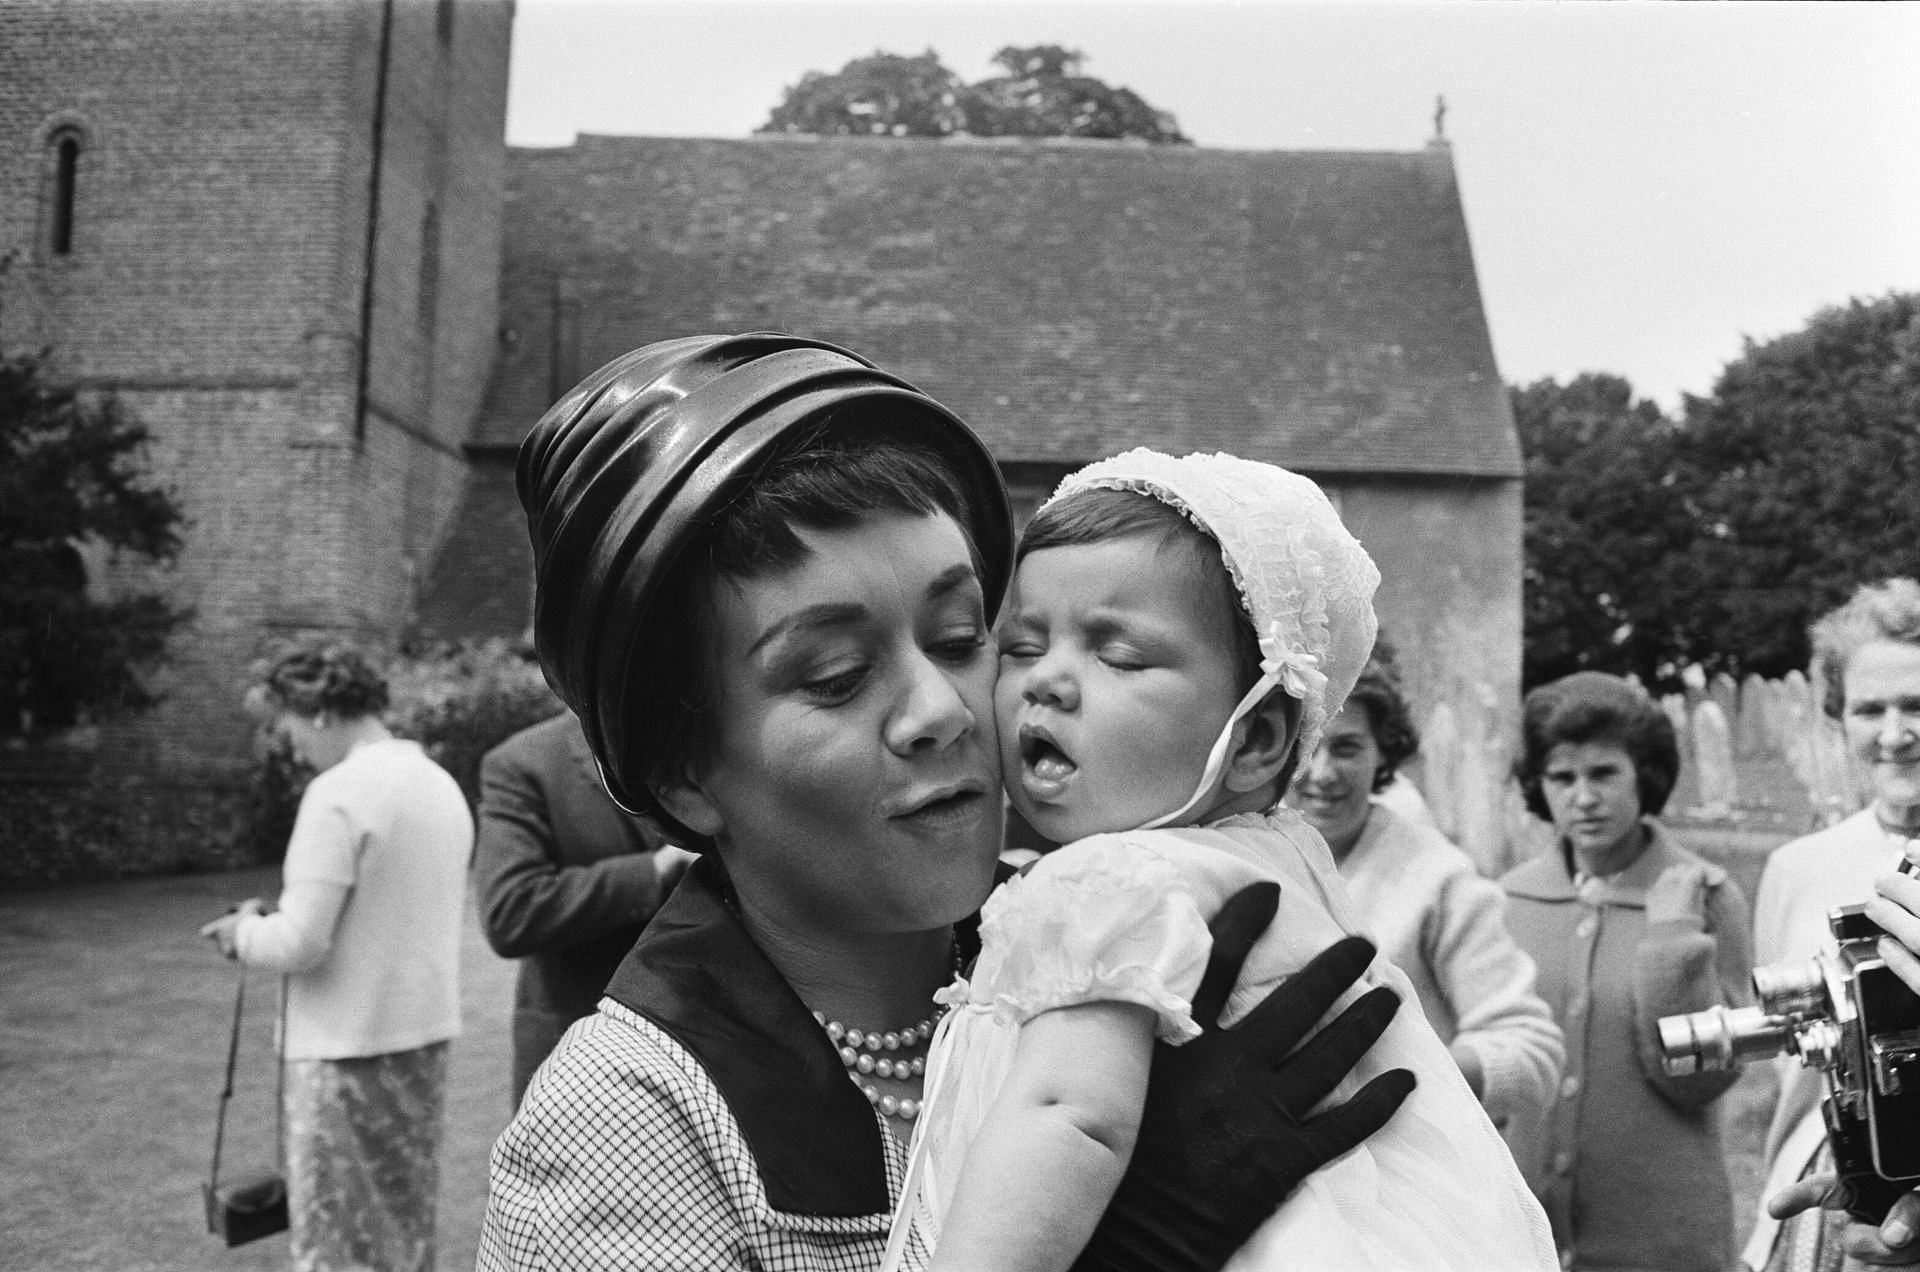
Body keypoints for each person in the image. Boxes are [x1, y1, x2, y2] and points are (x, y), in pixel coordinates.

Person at [479, 334, 1416, 1272]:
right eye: (838, 677)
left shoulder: (1124, 948)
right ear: (686, 771)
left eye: (963, 637)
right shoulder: (627, 1123)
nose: (940, 710)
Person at [886, 451, 1555, 1272]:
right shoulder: (1284, 854)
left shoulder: (1101, 883)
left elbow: (1070, 1117)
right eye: (1021, 646)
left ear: (1257, 738)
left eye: (1119, 656)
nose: (1048, 681)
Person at [200, 640, 473, 1272]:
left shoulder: (338, 793)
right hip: (421, 1044)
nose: (289, 745)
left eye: (287, 725)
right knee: (404, 1231)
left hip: (342, 1055)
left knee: (339, 1242)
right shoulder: (441, 785)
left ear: (318, 711)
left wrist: (241, 933)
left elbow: (300, 942)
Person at [1498, 670, 1755, 1272]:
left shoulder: (1708, 895)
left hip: (1660, 1236)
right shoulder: (1508, 900)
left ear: (1647, 773)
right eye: (1562, 778)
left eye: (1604, 773)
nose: (1583, 797)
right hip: (1524, 1235)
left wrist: (1671, 939)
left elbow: (1700, 1079)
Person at [1291, 658, 1563, 1144]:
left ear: (1383, 754)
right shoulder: (1244, 856)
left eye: (1348, 748)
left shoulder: (1438, 881)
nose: (1322, 772)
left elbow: (1530, 1051)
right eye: (1305, 746)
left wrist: (1395, 1077)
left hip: (1406, 1168)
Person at [1746, 578, 1920, 1271]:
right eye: (1868, 709)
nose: (1894, 735)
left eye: (1916, 706)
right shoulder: (1797, 868)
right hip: (1829, 1194)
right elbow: (1790, 1066)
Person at [472, 708, 696, 1105]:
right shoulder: (524, 762)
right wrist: (655, 870)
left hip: (713, 1038)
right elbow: (511, 910)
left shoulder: (710, 738)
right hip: (581, 1049)